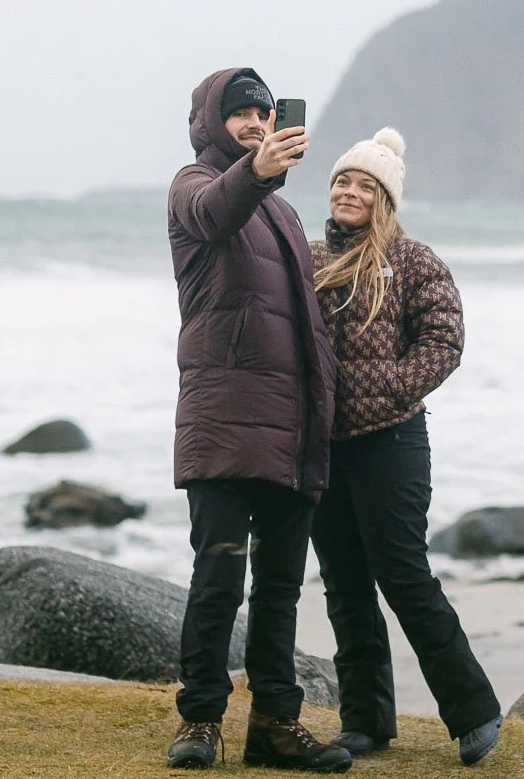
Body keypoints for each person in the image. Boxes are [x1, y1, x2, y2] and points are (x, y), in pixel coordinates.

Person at [165, 67, 351, 772]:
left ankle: (276, 722)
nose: (254, 123)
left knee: (278, 586)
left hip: (290, 426)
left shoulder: (286, 214)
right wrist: (258, 171)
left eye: (264, 113)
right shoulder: (194, 183)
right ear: (213, 121)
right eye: (240, 113)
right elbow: (217, 209)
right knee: (217, 578)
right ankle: (200, 720)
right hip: (223, 420)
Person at [308, 128, 503, 767]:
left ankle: (474, 713)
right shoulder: (306, 258)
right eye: (343, 181)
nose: (349, 191)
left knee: (403, 574)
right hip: (324, 447)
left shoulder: (413, 260)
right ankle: (365, 723)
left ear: (385, 198)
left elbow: (445, 338)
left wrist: (394, 386)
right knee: (344, 584)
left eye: (365, 185)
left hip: (392, 440)